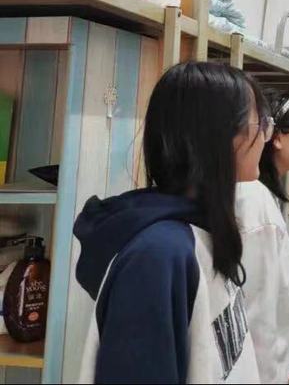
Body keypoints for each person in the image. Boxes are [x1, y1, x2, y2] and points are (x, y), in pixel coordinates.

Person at [73, 62, 268, 383]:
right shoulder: (158, 256)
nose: (264, 136)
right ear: (222, 138)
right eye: (260, 122)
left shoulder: (200, 234)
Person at [238, 92, 289, 384]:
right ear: (278, 137)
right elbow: (257, 312)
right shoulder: (255, 201)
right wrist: (280, 372)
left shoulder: (268, 199)